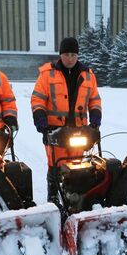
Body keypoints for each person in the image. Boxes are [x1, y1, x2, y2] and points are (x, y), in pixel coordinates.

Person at [30, 37, 102, 202]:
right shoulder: (47, 75)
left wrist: (95, 119)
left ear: (77, 55)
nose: (70, 58)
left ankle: (74, 197)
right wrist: (41, 121)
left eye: (73, 54)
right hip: (55, 131)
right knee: (55, 166)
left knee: (77, 166)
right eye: (66, 54)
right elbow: (37, 100)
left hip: (79, 130)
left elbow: (95, 100)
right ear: (60, 54)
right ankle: (53, 198)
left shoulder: (88, 75)